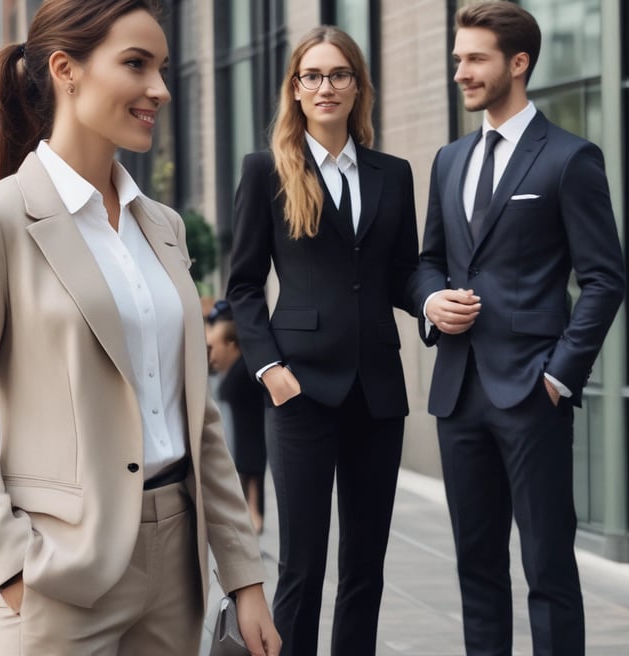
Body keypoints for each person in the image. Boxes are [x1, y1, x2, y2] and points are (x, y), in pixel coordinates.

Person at [0, 2, 280, 655]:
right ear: (66, 70)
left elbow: (198, 420)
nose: (160, 89)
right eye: (136, 64)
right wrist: (13, 566)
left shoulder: (161, 226)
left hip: (178, 563)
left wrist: (245, 575)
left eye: (163, 67)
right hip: (60, 568)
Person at [408, 2, 625, 654]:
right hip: (458, 394)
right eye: (457, 60)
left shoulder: (569, 157)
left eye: (475, 59)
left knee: (548, 571)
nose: (461, 73)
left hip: (533, 394)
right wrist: (430, 302)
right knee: (476, 571)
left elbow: (605, 280)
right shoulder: (449, 160)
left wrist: (559, 378)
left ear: (518, 63)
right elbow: (428, 262)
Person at [226, 25, 419, 655]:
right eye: (312, 75)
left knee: (365, 569)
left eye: (338, 74)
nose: (325, 86)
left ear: (358, 86)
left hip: (378, 391)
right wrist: (270, 371)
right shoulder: (267, 172)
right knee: (302, 567)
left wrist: (431, 301)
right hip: (300, 389)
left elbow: (401, 275)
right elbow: (245, 286)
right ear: (296, 89)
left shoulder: (394, 174)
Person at [206, 300, 267, 534]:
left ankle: (253, 513)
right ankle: (252, 512)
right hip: (247, 439)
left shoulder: (243, 371)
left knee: (249, 468)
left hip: (248, 439)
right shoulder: (239, 370)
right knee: (248, 469)